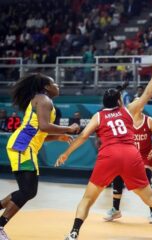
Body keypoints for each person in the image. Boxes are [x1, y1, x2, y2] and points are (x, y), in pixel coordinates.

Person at [55, 57, 152, 240]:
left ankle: (74, 233)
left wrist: (66, 153)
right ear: (119, 101)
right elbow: (148, 93)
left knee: (88, 199)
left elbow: (82, 136)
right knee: (149, 197)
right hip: (131, 154)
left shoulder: (99, 115)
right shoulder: (128, 110)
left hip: (109, 154)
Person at [0, 73, 80, 240]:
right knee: (28, 190)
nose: (57, 85)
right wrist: (68, 129)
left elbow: (40, 132)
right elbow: (44, 126)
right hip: (23, 146)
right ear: (46, 87)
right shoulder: (44, 100)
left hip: (25, 147)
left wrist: (57, 136)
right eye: (54, 83)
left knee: (28, 191)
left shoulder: (42, 99)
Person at [104, 99, 152, 224]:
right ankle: (116, 209)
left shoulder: (150, 121)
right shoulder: (125, 122)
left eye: (141, 103)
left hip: (146, 157)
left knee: (146, 181)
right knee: (117, 175)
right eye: (137, 103)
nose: (139, 105)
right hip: (130, 157)